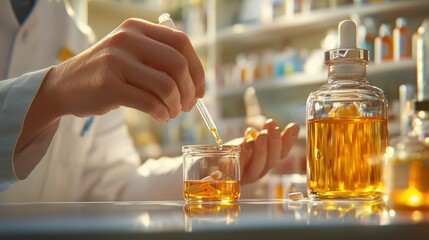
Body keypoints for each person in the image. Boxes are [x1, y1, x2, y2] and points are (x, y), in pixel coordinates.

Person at [0, 0, 300, 201]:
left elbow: (117, 188)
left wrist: (207, 169)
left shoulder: (77, 37)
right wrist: (54, 92)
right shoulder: (85, 50)